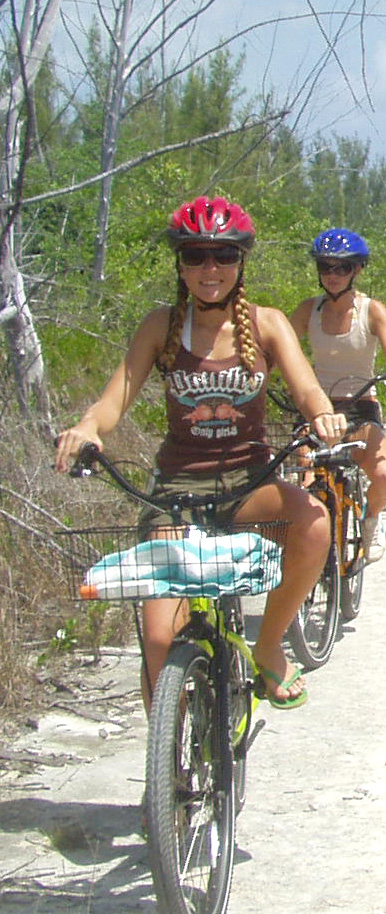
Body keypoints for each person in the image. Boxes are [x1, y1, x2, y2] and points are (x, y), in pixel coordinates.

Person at [55, 194, 349, 711]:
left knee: (316, 523)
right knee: (160, 642)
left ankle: (267, 649)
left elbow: (306, 389)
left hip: (248, 485)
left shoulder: (267, 324)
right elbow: (113, 399)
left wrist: (322, 414)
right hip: (176, 493)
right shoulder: (159, 326)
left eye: (224, 255)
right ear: (181, 264)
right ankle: (169, 772)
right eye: (196, 255)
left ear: (241, 261)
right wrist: (86, 428)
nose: (210, 268)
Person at [289, 228, 386, 563]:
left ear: (356, 270)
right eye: (326, 267)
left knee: (385, 479)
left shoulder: (372, 311)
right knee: (304, 483)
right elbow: (280, 350)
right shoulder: (306, 310)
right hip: (317, 408)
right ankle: (308, 551)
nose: (333, 275)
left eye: (342, 267)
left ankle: (371, 519)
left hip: (360, 405)